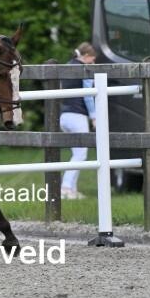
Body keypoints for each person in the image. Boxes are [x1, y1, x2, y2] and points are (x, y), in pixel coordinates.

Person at [60, 42, 97, 199]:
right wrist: (94, 117)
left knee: (76, 154)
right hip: (78, 116)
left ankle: (72, 191)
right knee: (80, 155)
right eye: (93, 60)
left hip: (64, 116)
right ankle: (66, 187)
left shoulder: (67, 66)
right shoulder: (84, 69)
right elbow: (88, 96)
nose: (93, 63)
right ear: (86, 56)